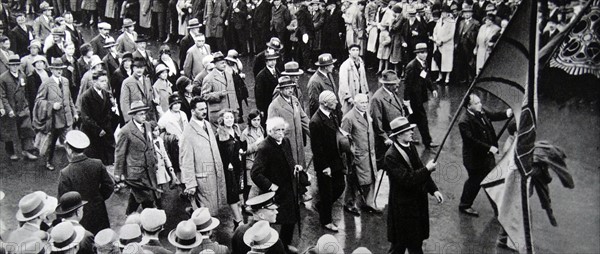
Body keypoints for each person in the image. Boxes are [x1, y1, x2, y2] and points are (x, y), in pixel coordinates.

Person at [384, 116, 444, 254]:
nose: (412, 132)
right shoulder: (391, 156)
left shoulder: (410, 146)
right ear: (399, 135)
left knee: (410, 244)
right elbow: (407, 179)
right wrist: (427, 169)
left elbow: (419, 169)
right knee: (404, 246)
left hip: (415, 205)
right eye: (408, 130)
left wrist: (434, 190)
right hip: (402, 210)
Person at [251, 117, 302, 252]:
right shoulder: (264, 147)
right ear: (269, 131)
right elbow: (255, 173)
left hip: (289, 188)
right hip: (275, 192)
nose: (280, 133)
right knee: (272, 221)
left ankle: (285, 245)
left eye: (282, 130)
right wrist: (270, 186)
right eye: (277, 130)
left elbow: (289, 159)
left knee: (290, 219)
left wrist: (295, 166)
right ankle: (269, 248)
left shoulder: (285, 141)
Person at [458, 93, 512, 216]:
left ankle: (497, 207)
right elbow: (471, 141)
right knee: (477, 182)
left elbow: (493, 115)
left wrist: (507, 113)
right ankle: (465, 205)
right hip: (474, 159)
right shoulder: (464, 121)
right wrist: (489, 147)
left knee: (491, 180)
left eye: (479, 102)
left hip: (487, 156)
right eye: (476, 103)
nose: (480, 104)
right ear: (468, 106)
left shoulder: (481, 111)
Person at [57, 130, 114, 235]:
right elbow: (109, 186)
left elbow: (63, 200)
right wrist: (99, 198)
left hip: (79, 216)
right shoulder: (97, 164)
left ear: (69, 149)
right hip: (99, 212)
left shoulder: (66, 173)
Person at [179, 96, 228, 215]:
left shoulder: (207, 124)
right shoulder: (188, 133)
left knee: (214, 209)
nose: (204, 111)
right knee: (206, 214)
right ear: (192, 111)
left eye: (205, 108)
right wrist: (190, 184)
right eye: (200, 109)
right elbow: (186, 161)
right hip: (202, 178)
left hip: (214, 173)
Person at [309, 91, 346, 232]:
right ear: (325, 103)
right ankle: (326, 221)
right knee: (327, 192)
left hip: (335, 159)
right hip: (325, 164)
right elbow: (316, 148)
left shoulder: (332, 114)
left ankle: (321, 206)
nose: (336, 102)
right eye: (334, 100)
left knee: (340, 186)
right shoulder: (316, 122)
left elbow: (336, 131)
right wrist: (325, 166)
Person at [114, 101, 159, 215]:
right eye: (141, 114)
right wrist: (118, 174)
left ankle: (129, 214)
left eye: (145, 113)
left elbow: (151, 145)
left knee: (139, 196)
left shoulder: (147, 125)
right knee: (147, 197)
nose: (144, 116)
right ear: (133, 115)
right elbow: (120, 153)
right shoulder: (125, 131)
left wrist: (155, 160)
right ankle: (151, 221)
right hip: (136, 173)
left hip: (149, 169)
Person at [33, 58, 78, 171]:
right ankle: (48, 161)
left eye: (61, 69)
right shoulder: (46, 83)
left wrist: (75, 112)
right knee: (51, 143)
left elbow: (69, 98)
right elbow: (38, 101)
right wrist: (51, 106)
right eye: (56, 69)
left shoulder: (65, 81)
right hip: (54, 119)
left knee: (70, 141)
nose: (59, 71)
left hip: (67, 117)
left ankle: (73, 163)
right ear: (52, 70)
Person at [341, 94, 381, 215]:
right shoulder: (349, 118)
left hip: (369, 153)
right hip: (357, 156)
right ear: (355, 103)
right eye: (361, 103)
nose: (364, 105)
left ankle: (368, 203)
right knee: (354, 180)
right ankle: (349, 203)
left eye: (366, 102)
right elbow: (344, 140)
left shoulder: (366, 114)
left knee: (371, 178)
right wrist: (349, 156)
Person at [0, 54, 38, 161]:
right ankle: (11, 152)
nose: (15, 67)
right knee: (9, 131)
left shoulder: (22, 75)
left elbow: (25, 92)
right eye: (12, 65)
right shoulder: (3, 78)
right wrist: (8, 110)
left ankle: (26, 150)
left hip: (22, 107)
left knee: (26, 128)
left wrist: (26, 105)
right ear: (9, 66)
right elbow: (2, 96)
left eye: (17, 64)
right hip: (10, 108)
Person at [268, 76, 310, 169]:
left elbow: (304, 118)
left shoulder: (295, 100)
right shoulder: (275, 105)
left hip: (298, 142)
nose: (290, 90)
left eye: (291, 87)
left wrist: (314, 134)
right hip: (286, 144)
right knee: (288, 170)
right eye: (287, 88)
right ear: (281, 90)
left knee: (301, 170)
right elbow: (271, 129)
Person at [404, 43, 439, 149]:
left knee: (411, 119)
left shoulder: (423, 63)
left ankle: (407, 137)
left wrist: (432, 88)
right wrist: (406, 99)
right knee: (422, 119)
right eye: (421, 53)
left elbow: (426, 77)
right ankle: (427, 142)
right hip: (414, 98)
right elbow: (407, 84)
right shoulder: (412, 66)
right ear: (417, 54)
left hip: (419, 96)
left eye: (425, 52)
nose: (424, 55)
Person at [369, 70, 406, 170]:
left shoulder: (392, 93)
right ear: (388, 85)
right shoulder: (377, 98)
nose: (397, 85)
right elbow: (377, 121)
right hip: (386, 141)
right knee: (383, 165)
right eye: (395, 84)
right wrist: (385, 138)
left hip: (395, 135)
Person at [215, 109, 245, 228]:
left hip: (238, 164)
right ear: (222, 119)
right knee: (232, 192)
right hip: (229, 167)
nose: (229, 120)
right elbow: (221, 152)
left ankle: (239, 213)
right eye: (227, 118)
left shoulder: (236, 129)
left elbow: (240, 143)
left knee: (240, 188)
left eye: (231, 117)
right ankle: (238, 219)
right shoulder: (220, 133)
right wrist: (228, 163)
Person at [201, 52, 239, 124]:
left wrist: (236, 107)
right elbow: (204, 96)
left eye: (225, 63)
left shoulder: (228, 74)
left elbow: (233, 92)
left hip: (231, 111)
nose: (224, 65)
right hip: (218, 113)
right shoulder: (209, 78)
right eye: (221, 63)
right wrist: (218, 94)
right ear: (215, 64)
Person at [120, 58, 158, 123]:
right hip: (136, 117)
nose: (139, 70)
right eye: (137, 67)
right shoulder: (127, 82)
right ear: (133, 68)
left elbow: (150, 98)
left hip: (149, 117)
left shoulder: (147, 80)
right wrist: (130, 121)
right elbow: (124, 103)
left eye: (142, 68)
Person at [307, 53, 341, 119]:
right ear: (326, 67)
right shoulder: (314, 82)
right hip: (324, 119)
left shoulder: (328, 74)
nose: (333, 66)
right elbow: (315, 105)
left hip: (333, 115)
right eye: (331, 64)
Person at [240, 110, 265, 198]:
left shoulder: (261, 129)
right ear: (250, 120)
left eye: (258, 120)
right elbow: (244, 151)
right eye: (254, 120)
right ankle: (246, 205)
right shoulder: (245, 133)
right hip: (250, 162)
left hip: (260, 160)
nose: (257, 122)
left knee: (260, 184)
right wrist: (257, 144)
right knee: (250, 186)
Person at [338, 44, 369, 114]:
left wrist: (366, 92)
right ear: (349, 51)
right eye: (353, 50)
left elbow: (364, 78)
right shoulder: (345, 65)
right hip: (351, 93)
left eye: (357, 50)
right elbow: (343, 83)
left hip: (360, 92)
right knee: (348, 114)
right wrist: (348, 97)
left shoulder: (361, 63)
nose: (355, 52)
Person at [454, 4, 480, 84]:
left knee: (470, 62)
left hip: (470, 45)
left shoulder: (476, 23)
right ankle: (463, 78)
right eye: (465, 13)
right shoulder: (461, 22)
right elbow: (457, 34)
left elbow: (477, 35)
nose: (466, 14)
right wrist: (456, 43)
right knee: (462, 62)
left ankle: (471, 79)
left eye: (468, 13)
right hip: (461, 45)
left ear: (472, 13)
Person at [254, 49, 280, 126]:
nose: (273, 62)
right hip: (267, 105)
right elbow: (258, 94)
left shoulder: (278, 71)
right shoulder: (261, 76)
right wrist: (261, 109)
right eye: (270, 60)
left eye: (274, 60)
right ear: (266, 61)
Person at [431, 5, 456, 85]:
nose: (443, 14)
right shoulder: (439, 21)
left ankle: (447, 77)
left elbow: (451, 34)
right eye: (442, 12)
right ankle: (440, 76)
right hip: (438, 44)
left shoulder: (452, 22)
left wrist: (442, 40)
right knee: (438, 59)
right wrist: (435, 39)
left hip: (446, 45)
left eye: (445, 12)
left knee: (447, 61)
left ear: (448, 13)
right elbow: (435, 31)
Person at [111, 52, 133, 125]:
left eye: (129, 61)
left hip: (133, 98)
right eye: (125, 61)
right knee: (125, 119)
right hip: (122, 99)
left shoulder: (134, 71)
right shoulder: (117, 73)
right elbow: (112, 87)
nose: (127, 63)